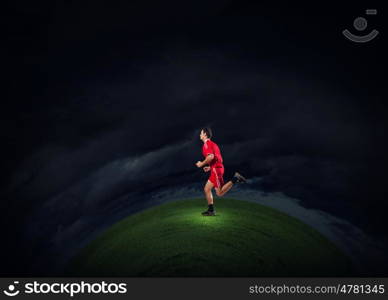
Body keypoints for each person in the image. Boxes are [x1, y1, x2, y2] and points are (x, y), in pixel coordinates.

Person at [195, 127, 247, 216]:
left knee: (219, 193)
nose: (200, 135)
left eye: (201, 133)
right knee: (207, 189)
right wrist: (210, 168)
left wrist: (202, 164)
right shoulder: (213, 144)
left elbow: (210, 157)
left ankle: (235, 178)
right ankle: (211, 210)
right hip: (215, 169)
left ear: (205, 134)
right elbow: (217, 159)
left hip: (216, 170)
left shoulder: (207, 144)